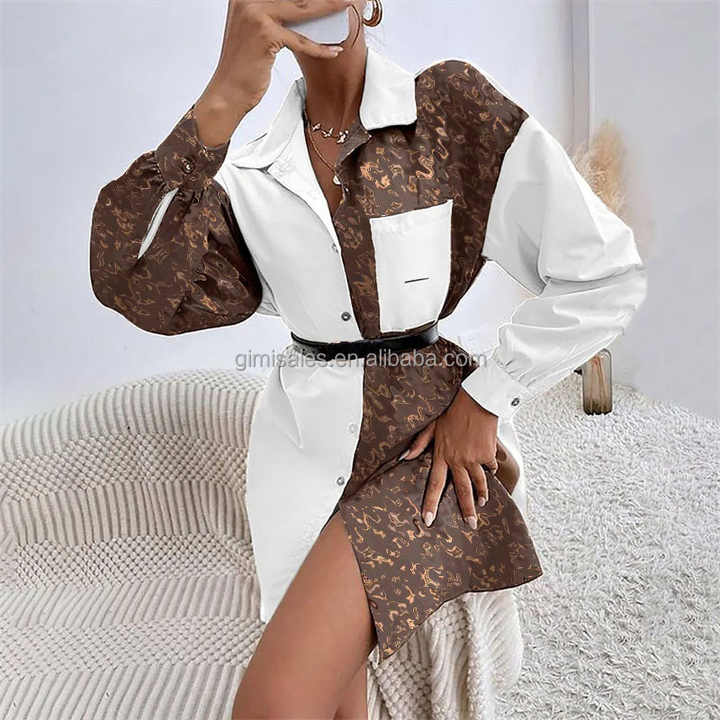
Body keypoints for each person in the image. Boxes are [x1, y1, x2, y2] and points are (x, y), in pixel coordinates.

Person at [89, 1, 648, 717]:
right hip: (305, 454)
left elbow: (606, 273)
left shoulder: (449, 111)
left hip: (429, 444)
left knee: (272, 705)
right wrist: (222, 100)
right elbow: (130, 282)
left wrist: (486, 399)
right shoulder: (249, 174)